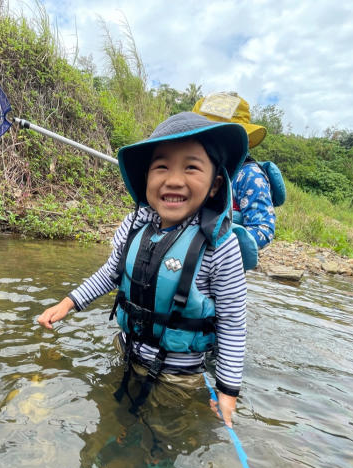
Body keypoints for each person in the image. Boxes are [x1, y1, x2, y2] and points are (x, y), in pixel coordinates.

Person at [38, 112, 249, 427]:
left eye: (191, 167)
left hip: (179, 377)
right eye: (161, 166)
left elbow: (232, 323)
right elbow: (110, 273)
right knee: (111, 420)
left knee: (162, 441)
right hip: (127, 353)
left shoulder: (220, 244)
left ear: (216, 184)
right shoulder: (135, 225)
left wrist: (227, 391)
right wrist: (68, 303)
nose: (174, 179)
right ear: (146, 178)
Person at [192, 92, 276, 249]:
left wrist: (221, 251)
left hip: (222, 261)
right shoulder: (190, 168)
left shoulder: (249, 175)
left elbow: (263, 229)